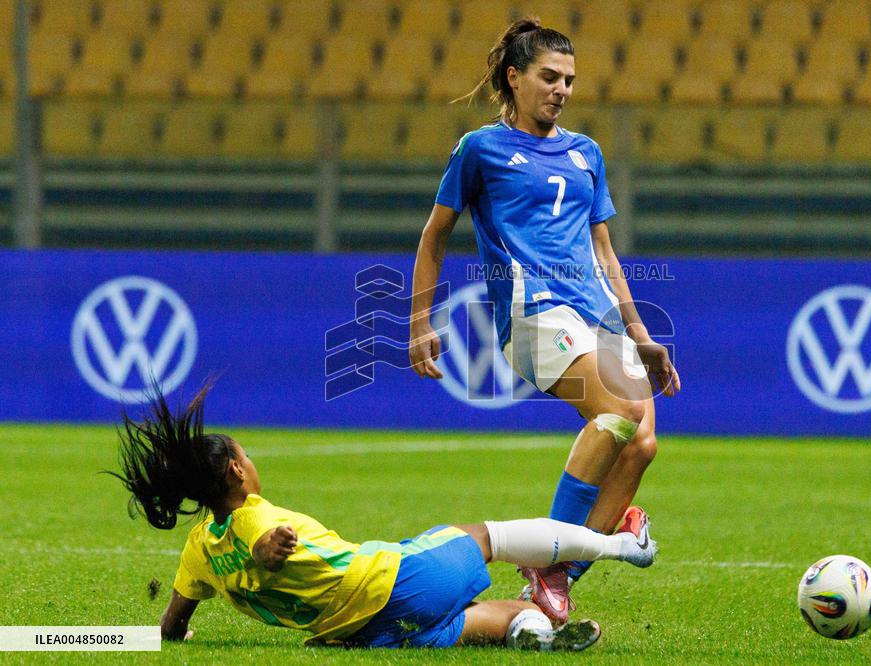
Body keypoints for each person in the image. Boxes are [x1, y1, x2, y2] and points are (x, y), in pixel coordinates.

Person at [408, 17, 680, 624]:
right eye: (550, 77)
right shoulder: (481, 149)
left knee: (641, 442)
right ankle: (548, 562)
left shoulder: (587, 153)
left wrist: (639, 333)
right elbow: (434, 235)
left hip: (595, 311)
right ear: (514, 77)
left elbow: (603, 250)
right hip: (531, 313)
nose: (562, 90)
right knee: (617, 412)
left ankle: (555, 580)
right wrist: (419, 320)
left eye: (570, 80)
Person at [105, 382, 658, 651]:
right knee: (483, 536)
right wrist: (265, 551)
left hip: (362, 632)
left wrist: (152, 635)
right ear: (233, 471)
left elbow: (170, 627)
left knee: (482, 617)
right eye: (246, 457)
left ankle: (534, 630)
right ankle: (621, 547)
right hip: (394, 581)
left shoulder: (197, 551)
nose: (252, 464)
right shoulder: (254, 517)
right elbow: (262, 540)